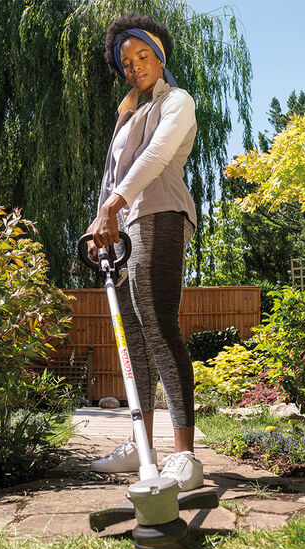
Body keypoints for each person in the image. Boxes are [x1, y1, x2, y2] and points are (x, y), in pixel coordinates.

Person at [84, 13, 203, 491]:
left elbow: (155, 157)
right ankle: (144, 446)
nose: (135, 67)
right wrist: (99, 224)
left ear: (160, 57)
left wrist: (113, 205)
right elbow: (111, 179)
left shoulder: (177, 102)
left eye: (143, 56)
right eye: (127, 63)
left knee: (158, 325)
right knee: (133, 335)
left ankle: (185, 457)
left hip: (162, 215)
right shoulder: (127, 115)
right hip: (127, 223)